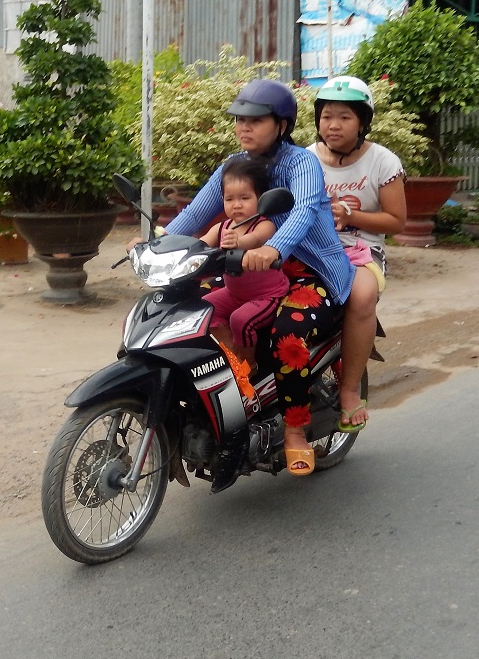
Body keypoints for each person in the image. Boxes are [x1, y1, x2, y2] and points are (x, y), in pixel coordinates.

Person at [166, 79, 353, 476]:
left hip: (309, 271)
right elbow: (196, 214)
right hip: (251, 272)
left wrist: (273, 248)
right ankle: (233, 391)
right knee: (191, 312)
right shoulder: (233, 166)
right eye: (239, 119)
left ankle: (295, 431)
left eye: (255, 119)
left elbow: (301, 212)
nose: (244, 127)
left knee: (288, 333)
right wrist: (156, 242)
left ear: (282, 125)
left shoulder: (301, 163)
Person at [307, 75, 406, 433]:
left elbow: (396, 221)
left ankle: (349, 391)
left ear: (363, 122)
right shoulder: (306, 160)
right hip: (312, 249)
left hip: (362, 251)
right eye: (326, 116)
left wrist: (352, 216)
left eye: (344, 117)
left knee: (362, 297)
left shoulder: (383, 161)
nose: (333, 125)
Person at [199, 157, 289, 380]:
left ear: (260, 199)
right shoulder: (222, 227)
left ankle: (249, 363)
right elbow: (199, 244)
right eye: (230, 199)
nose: (236, 204)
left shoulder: (264, 225)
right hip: (234, 293)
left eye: (244, 198)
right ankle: (232, 355)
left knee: (240, 319)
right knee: (203, 311)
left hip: (267, 295)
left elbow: (256, 239)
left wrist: (238, 243)